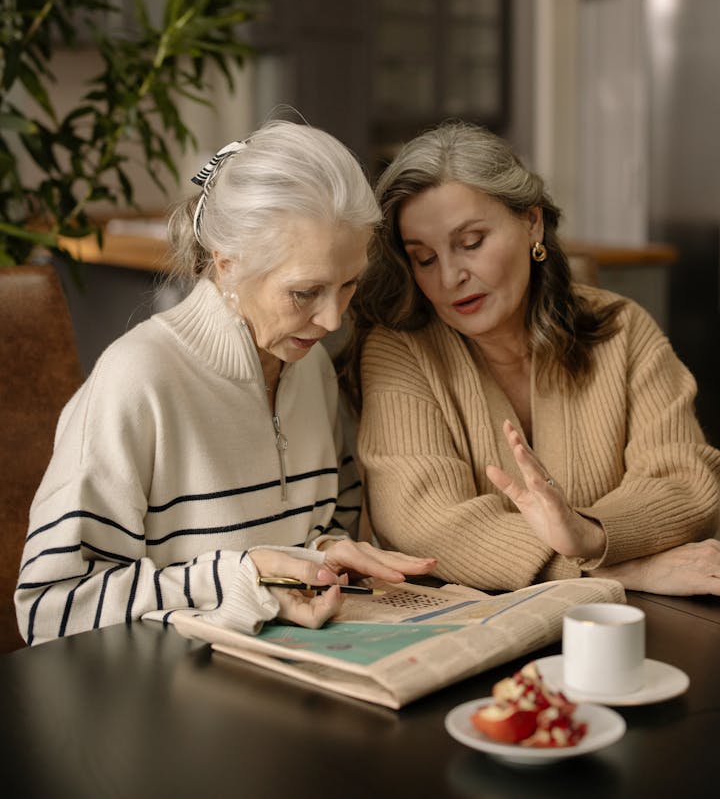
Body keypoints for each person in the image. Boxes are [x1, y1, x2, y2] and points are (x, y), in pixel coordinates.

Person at [16, 121, 435, 645]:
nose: (332, 320)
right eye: (305, 292)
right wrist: (239, 577)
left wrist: (320, 557)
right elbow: (50, 611)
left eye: (349, 283)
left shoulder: (312, 368)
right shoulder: (137, 380)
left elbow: (318, 535)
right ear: (227, 263)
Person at [347, 120, 720, 604]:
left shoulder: (622, 328)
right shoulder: (398, 349)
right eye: (424, 258)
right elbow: (427, 526)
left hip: (625, 627)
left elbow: (685, 483)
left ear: (532, 222)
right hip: (470, 636)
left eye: (471, 242)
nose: (451, 276)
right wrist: (624, 567)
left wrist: (592, 535)